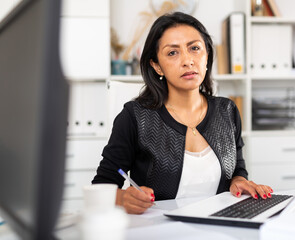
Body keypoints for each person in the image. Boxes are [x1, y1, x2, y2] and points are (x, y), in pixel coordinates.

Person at [92, 12, 273, 214]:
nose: (188, 60)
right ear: (157, 66)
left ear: (207, 56)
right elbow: (101, 185)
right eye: (172, 53)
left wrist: (239, 181)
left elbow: (238, 169)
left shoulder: (227, 111)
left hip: (220, 227)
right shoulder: (134, 117)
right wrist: (122, 198)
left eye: (195, 48)